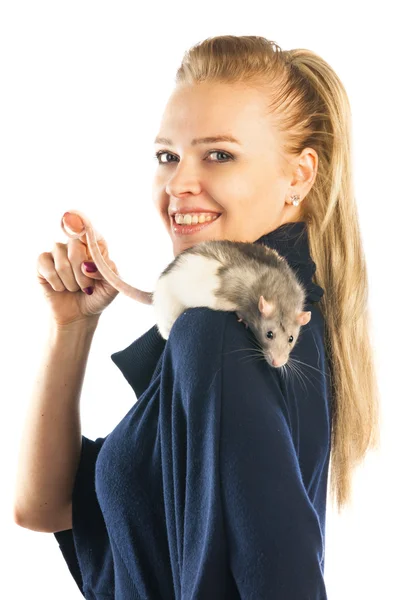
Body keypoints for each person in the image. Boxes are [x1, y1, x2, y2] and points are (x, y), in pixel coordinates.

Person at [13, 35, 380, 599]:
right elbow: (47, 506)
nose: (179, 184)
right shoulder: (226, 321)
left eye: (219, 154)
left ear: (299, 177)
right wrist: (73, 327)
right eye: (168, 156)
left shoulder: (226, 331)